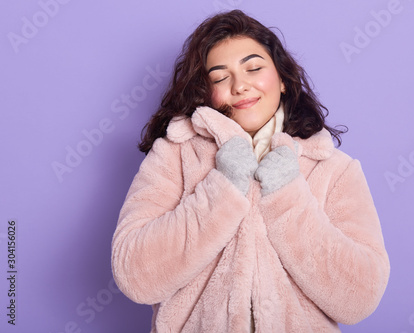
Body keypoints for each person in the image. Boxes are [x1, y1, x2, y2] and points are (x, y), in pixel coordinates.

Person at [111, 9, 390, 333]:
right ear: (206, 92)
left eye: (254, 68)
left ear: (283, 79)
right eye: (219, 76)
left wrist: (287, 194)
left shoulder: (333, 168)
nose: (240, 85)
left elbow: (361, 297)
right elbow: (134, 275)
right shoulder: (173, 155)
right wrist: (223, 186)